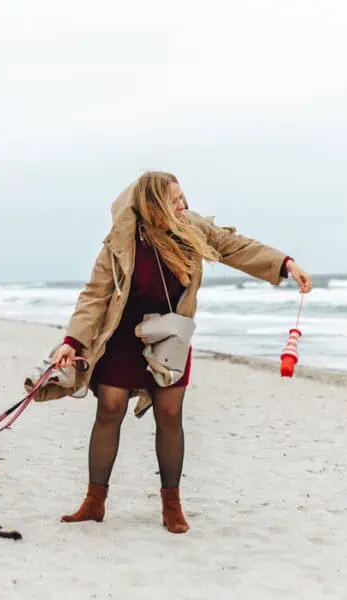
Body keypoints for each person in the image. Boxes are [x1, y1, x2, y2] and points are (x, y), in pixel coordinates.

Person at [52, 171, 312, 534]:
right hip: (125, 335)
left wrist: (286, 264)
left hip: (170, 334)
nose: (182, 204)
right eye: (174, 199)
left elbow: (237, 247)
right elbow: (95, 294)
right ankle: (94, 502)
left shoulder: (192, 229)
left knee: (170, 414)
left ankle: (171, 505)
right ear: (153, 202)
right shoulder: (122, 241)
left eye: (182, 197)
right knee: (110, 408)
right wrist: (72, 342)